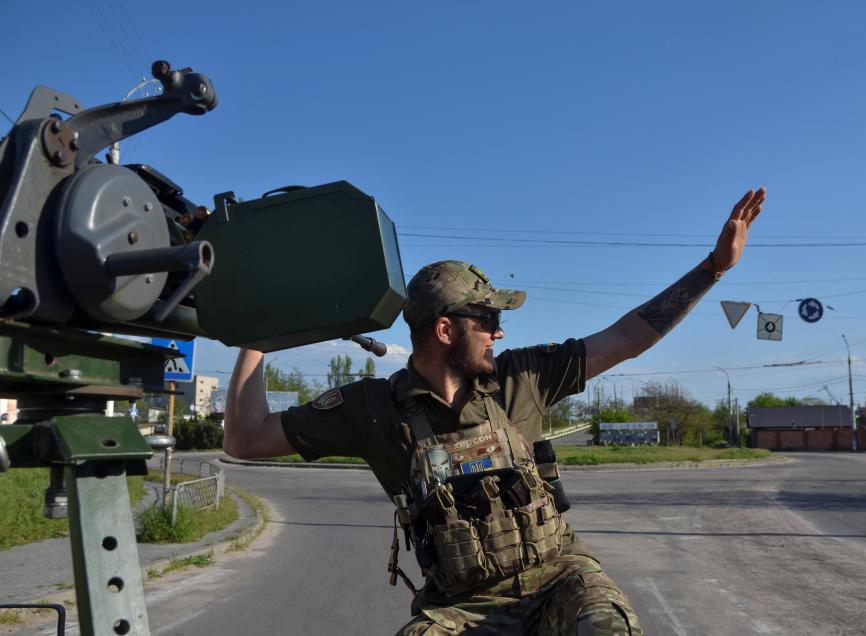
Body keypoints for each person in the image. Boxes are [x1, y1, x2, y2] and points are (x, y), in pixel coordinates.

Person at [224, 188, 766, 635]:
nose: (499, 331)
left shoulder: (522, 377)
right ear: (444, 331)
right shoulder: (372, 409)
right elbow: (245, 440)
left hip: (559, 582)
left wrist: (713, 269)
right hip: (461, 609)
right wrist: (259, 335)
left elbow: (627, 337)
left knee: (606, 627)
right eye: (485, 319)